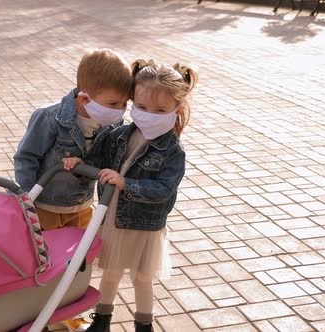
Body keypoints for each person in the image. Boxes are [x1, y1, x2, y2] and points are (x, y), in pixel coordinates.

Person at [13, 49, 132, 331]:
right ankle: (42, 315)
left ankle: (64, 314)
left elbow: (103, 159)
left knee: (76, 265)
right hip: (47, 206)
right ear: (85, 99)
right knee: (46, 266)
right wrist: (27, 199)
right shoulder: (50, 118)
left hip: (82, 207)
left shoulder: (111, 122)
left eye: (124, 103)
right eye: (114, 103)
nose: (120, 111)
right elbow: (26, 157)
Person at [87, 59, 198, 332]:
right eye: (142, 107)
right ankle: (102, 320)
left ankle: (143, 324)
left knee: (141, 278)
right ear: (132, 101)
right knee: (110, 273)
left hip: (143, 226)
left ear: (177, 109)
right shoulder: (121, 134)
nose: (149, 114)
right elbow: (98, 159)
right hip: (114, 218)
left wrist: (127, 183)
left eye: (160, 110)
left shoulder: (172, 150)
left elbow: (163, 190)